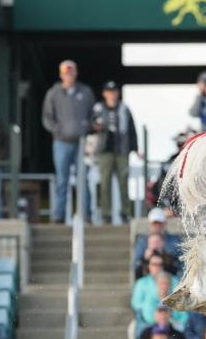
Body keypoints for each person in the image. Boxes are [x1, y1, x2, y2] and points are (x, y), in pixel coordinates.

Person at [41, 60, 95, 223]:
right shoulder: (53, 93)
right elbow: (47, 118)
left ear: (76, 73)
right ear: (61, 74)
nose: (68, 76)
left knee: (83, 180)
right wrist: (58, 130)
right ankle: (59, 216)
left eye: (71, 73)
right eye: (65, 73)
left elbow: (92, 114)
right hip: (61, 143)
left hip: (80, 143)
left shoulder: (85, 92)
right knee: (62, 180)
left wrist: (86, 128)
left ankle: (86, 215)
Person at [89, 81, 139, 225]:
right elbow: (90, 126)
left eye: (114, 91)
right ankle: (106, 214)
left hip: (122, 150)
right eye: (109, 91)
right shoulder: (98, 108)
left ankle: (125, 213)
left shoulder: (124, 108)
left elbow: (131, 129)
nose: (112, 94)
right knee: (105, 183)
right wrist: (95, 127)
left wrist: (135, 148)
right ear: (104, 93)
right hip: (104, 150)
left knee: (124, 182)